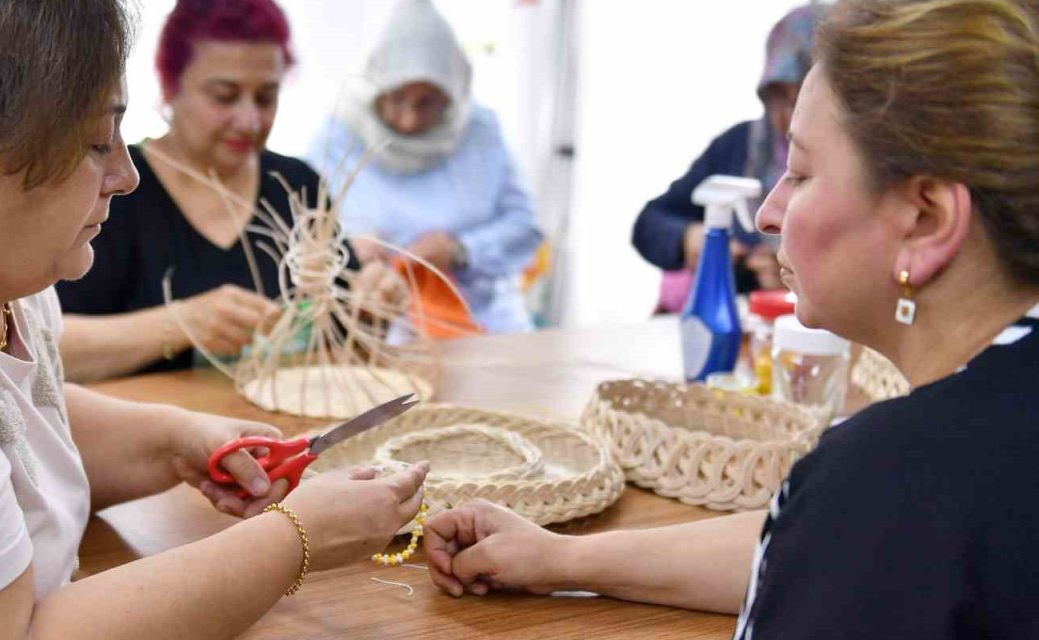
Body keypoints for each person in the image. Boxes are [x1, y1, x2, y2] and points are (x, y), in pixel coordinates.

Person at [0, 2, 427, 638]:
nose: (126, 175)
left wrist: (178, 440)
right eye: (96, 143)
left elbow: (6, 421)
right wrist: (295, 538)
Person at [425, 0, 1039, 636]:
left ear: (928, 219)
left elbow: (856, 529)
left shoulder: (890, 480)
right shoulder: (920, 485)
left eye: (800, 174)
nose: (769, 213)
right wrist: (561, 557)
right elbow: (802, 543)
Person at [56, 0, 403, 383]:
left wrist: (371, 306)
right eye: (224, 96)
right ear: (170, 88)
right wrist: (179, 324)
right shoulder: (116, 189)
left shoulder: (297, 186)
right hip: (155, 438)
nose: (250, 119)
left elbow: (343, 331)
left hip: (287, 430)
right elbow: (46, 345)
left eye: (266, 97)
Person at [307, 0, 544, 334]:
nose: (408, 120)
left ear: (451, 96)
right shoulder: (339, 136)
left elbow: (526, 229)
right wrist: (347, 249)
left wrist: (462, 251)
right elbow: (301, 233)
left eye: (426, 103)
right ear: (376, 86)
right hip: (377, 326)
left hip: (483, 320)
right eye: (397, 99)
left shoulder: (480, 133)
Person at [632, 5, 818, 305]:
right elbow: (650, 221)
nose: (789, 111)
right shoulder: (740, 144)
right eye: (778, 94)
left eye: (801, 94)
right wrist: (691, 240)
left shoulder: (850, 165)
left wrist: (790, 287)